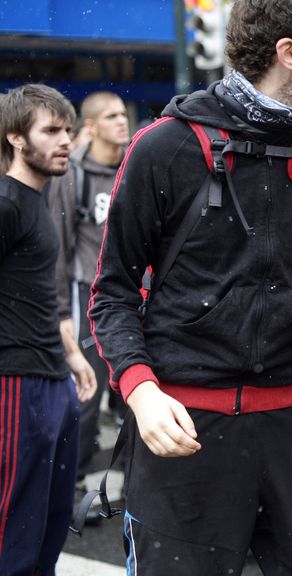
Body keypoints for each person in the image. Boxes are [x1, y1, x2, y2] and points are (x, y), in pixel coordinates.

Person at [88, 1, 292, 572]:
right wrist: (142, 394)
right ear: (288, 52)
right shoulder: (162, 147)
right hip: (185, 423)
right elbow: (111, 293)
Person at [0, 83, 97, 576]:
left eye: (68, 130)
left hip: (52, 377)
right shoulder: (6, 203)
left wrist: (71, 354)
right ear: (17, 138)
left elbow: (42, 293)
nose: (65, 140)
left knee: (51, 523)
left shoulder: (39, 200)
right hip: (15, 381)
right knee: (14, 530)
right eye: (52, 131)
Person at [48, 91, 131, 479]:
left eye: (122, 113)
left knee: (137, 394)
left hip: (137, 295)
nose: (122, 120)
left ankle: (137, 482)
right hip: (89, 295)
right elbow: (59, 248)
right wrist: (63, 311)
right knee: (86, 392)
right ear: (92, 126)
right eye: (111, 115)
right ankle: (74, 480)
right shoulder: (72, 176)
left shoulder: (135, 166)